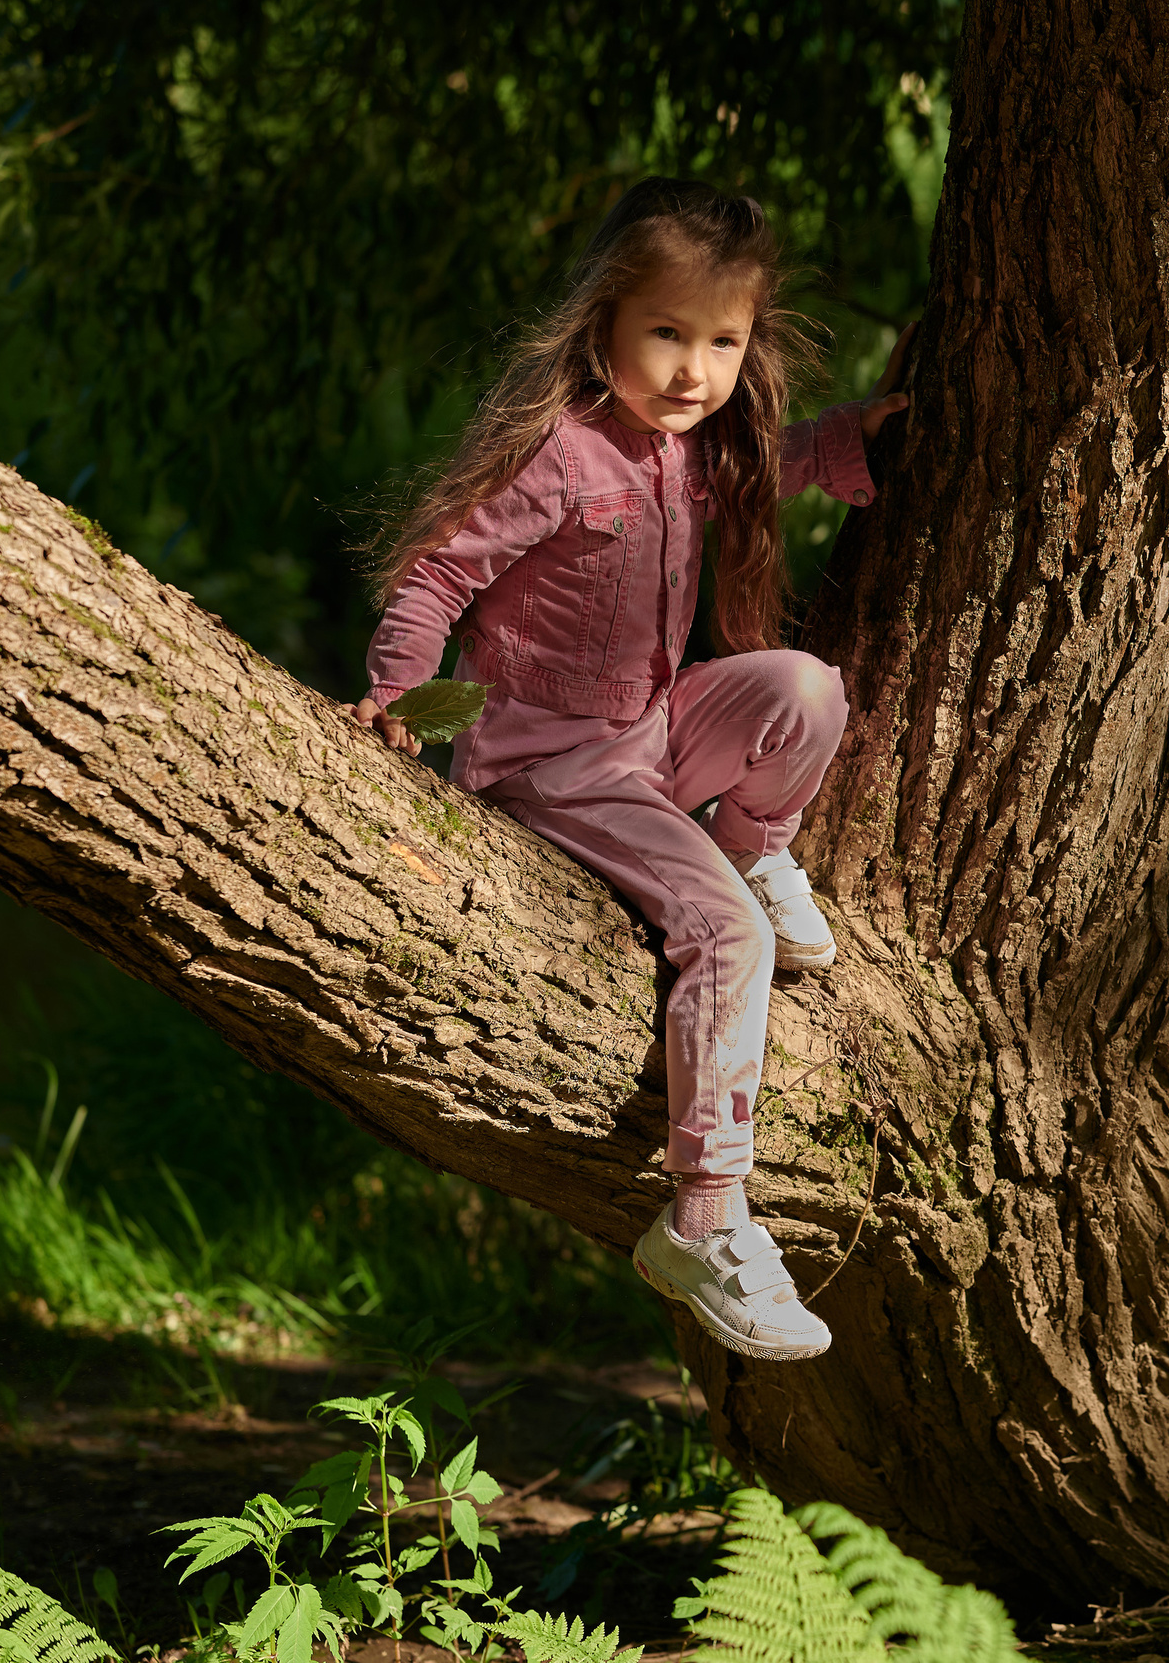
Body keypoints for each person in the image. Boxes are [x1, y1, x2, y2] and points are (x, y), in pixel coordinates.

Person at [351, 178, 909, 1362]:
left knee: (803, 688)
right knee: (727, 940)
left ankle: (755, 854)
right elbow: (439, 575)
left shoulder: (695, 447)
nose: (694, 370)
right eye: (666, 333)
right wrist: (399, 691)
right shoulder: (558, 456)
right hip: (550, 764)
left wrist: (842, 442)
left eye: (723, 341)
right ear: (602, 319)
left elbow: (761, 472)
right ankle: (703, 1218)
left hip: (650, 734)